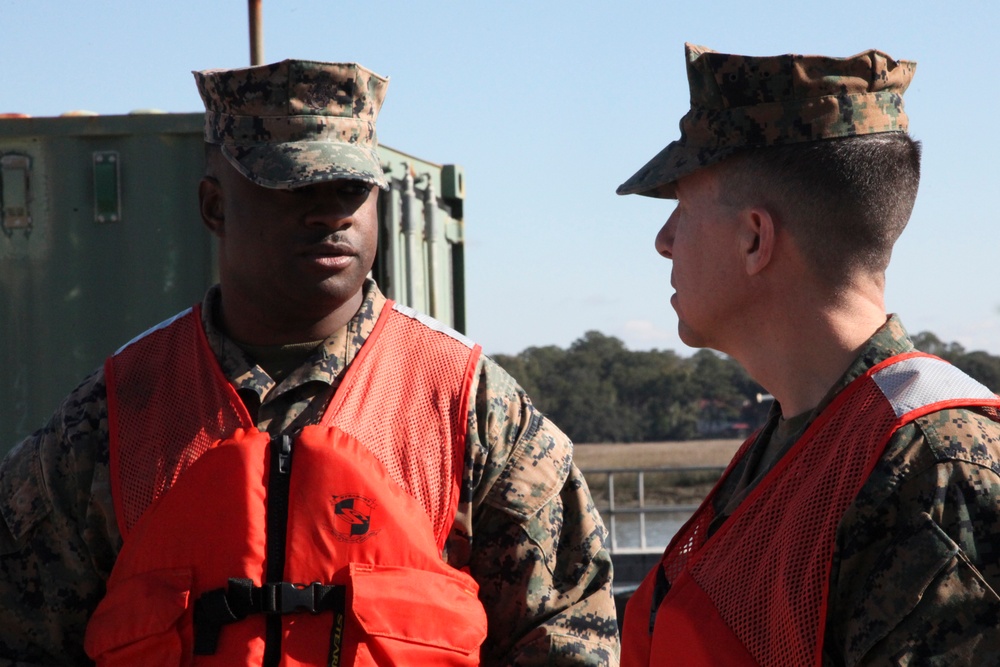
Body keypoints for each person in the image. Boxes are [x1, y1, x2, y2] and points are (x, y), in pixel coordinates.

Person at [0, 59, 619, 666]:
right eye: (294, 187)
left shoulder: (470, 405)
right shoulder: (113, 416)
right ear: (214, 207)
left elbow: (564, 636)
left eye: (352, 188)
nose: (332, 213)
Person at [615, 43, 1000, 666]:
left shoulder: (934, 473)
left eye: (681, 209)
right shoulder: (799, 444)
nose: (663, 242)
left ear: (754, 239)